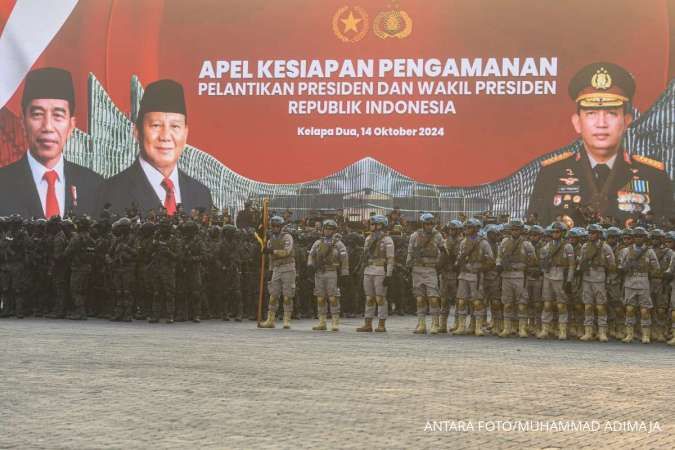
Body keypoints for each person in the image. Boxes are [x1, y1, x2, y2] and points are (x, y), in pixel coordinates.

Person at [528, 62, 673, 226]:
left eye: (611, 113)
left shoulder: (653, 176)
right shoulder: (551, 174)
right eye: (591, 114)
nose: (601, 123)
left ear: (627, 121)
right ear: (577, 123)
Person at [97, 79, 212, 216]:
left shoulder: (201, 194)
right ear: (137, 132)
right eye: (156, 125)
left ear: (186, 133)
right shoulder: (109, 194)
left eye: (175, 126)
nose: (165, 137)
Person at [0, 67, 102, 218]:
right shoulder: (3, 184)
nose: (47, 126)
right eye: (37, 114)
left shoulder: (95, 186)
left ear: (71, 125)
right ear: (22, 121)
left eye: (58, 115)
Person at [617, 227, 660, 343]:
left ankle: (645, 335)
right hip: (630, 281)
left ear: (645, 238)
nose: (638, 238)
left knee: (645, 310)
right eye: (636, 236)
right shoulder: (626, 251)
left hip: (643, 281)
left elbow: (656, 268)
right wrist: (626, 266)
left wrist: (649, 273)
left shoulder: (649, 252)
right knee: (630, 308)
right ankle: (629, 334)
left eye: (640, 236)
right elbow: (620, 267)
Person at [307, 220, 349, 332]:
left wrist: (344, 274)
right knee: (320, 298)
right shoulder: (317, 243)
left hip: (332, 272)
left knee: (333, 297)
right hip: (319, 272)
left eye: (330, 229)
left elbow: (344, 260)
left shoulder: (339, 244)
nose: (327, 231)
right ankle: (322, 322)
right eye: (326, 229)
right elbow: (311, 255)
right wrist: (310, 266)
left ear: (334, 230)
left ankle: (335, 321)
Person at [407, 213, 444, 334]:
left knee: (433, 298)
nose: (429, 226)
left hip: (430, 269)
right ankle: (421, 324)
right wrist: (408, 265)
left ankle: (435, 323)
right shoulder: (414, 235)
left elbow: (443, 252)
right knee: (419, 299)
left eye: (431, 224)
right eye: (427, 224)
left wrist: (440, 264)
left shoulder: (437, 236)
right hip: (417, 269)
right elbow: (410, 251)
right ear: (422, 224)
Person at [577, 224, 615, 341]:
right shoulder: (584, 246)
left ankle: (602, 331)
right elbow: (581, 262)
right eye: (589, 233)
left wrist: (610, 279)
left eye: (593, 233)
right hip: (587, 278)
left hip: (599, 277)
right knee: (588, 305)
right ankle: (588, 331)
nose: (590, 235)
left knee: (600, 306)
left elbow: (612, 264)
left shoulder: (605, 247)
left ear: (598, 234)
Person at [356, 215, 394, 332]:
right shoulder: (368, 238)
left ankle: (381, 324)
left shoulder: (387, 240)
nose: (371, 226)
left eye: (374, 224)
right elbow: (365, 256)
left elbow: (390, 259)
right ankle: (368, 323)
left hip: (380, 270)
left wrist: (389, 275)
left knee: (380, 298)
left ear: (380, 225)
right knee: (369, 298)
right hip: (368, 270)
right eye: (371, 224)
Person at [259, 216, 296, 329]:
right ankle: (270, 319)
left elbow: (286, 252)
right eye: (273, 226)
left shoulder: (287, 237)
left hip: (287, 267)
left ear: (281, 227)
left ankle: (286, 319)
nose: (275, 228)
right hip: (276, 269)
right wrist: (270, 270)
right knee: (273, 295)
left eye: (277, 226)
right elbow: (270, 258)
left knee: (287, 296)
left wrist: (272, 251)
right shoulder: (270, 240)